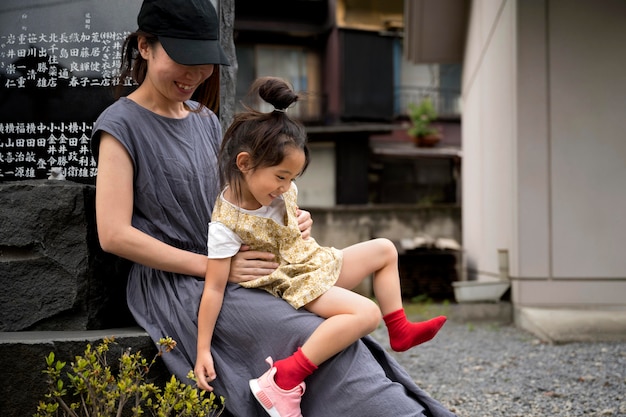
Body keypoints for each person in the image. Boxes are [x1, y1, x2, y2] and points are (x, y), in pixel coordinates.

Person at [92, 0, 457, 416]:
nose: (194, 75)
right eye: (182, 59)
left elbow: (239, 198)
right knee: (306, 330)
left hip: (246, 266)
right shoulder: (120, 125)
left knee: (339, 321)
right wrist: (214, 267)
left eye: (205, 62)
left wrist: (283, 216)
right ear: (144, 47)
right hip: (183, 281)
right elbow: (113, 233)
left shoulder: (205, 120)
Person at [194, 76, 447, 416]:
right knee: (366, 312)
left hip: (312, 261)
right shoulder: (225, 224)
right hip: (292, 281)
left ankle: (399, 330)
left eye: (293, 179)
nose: (286, 187)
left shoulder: (273, 189)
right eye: (281, 177)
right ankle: (283, 378)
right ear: (244, 164)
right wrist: (203, 349)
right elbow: (213, 288)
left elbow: (293, 221)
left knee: (385, 249)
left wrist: (302, 219)